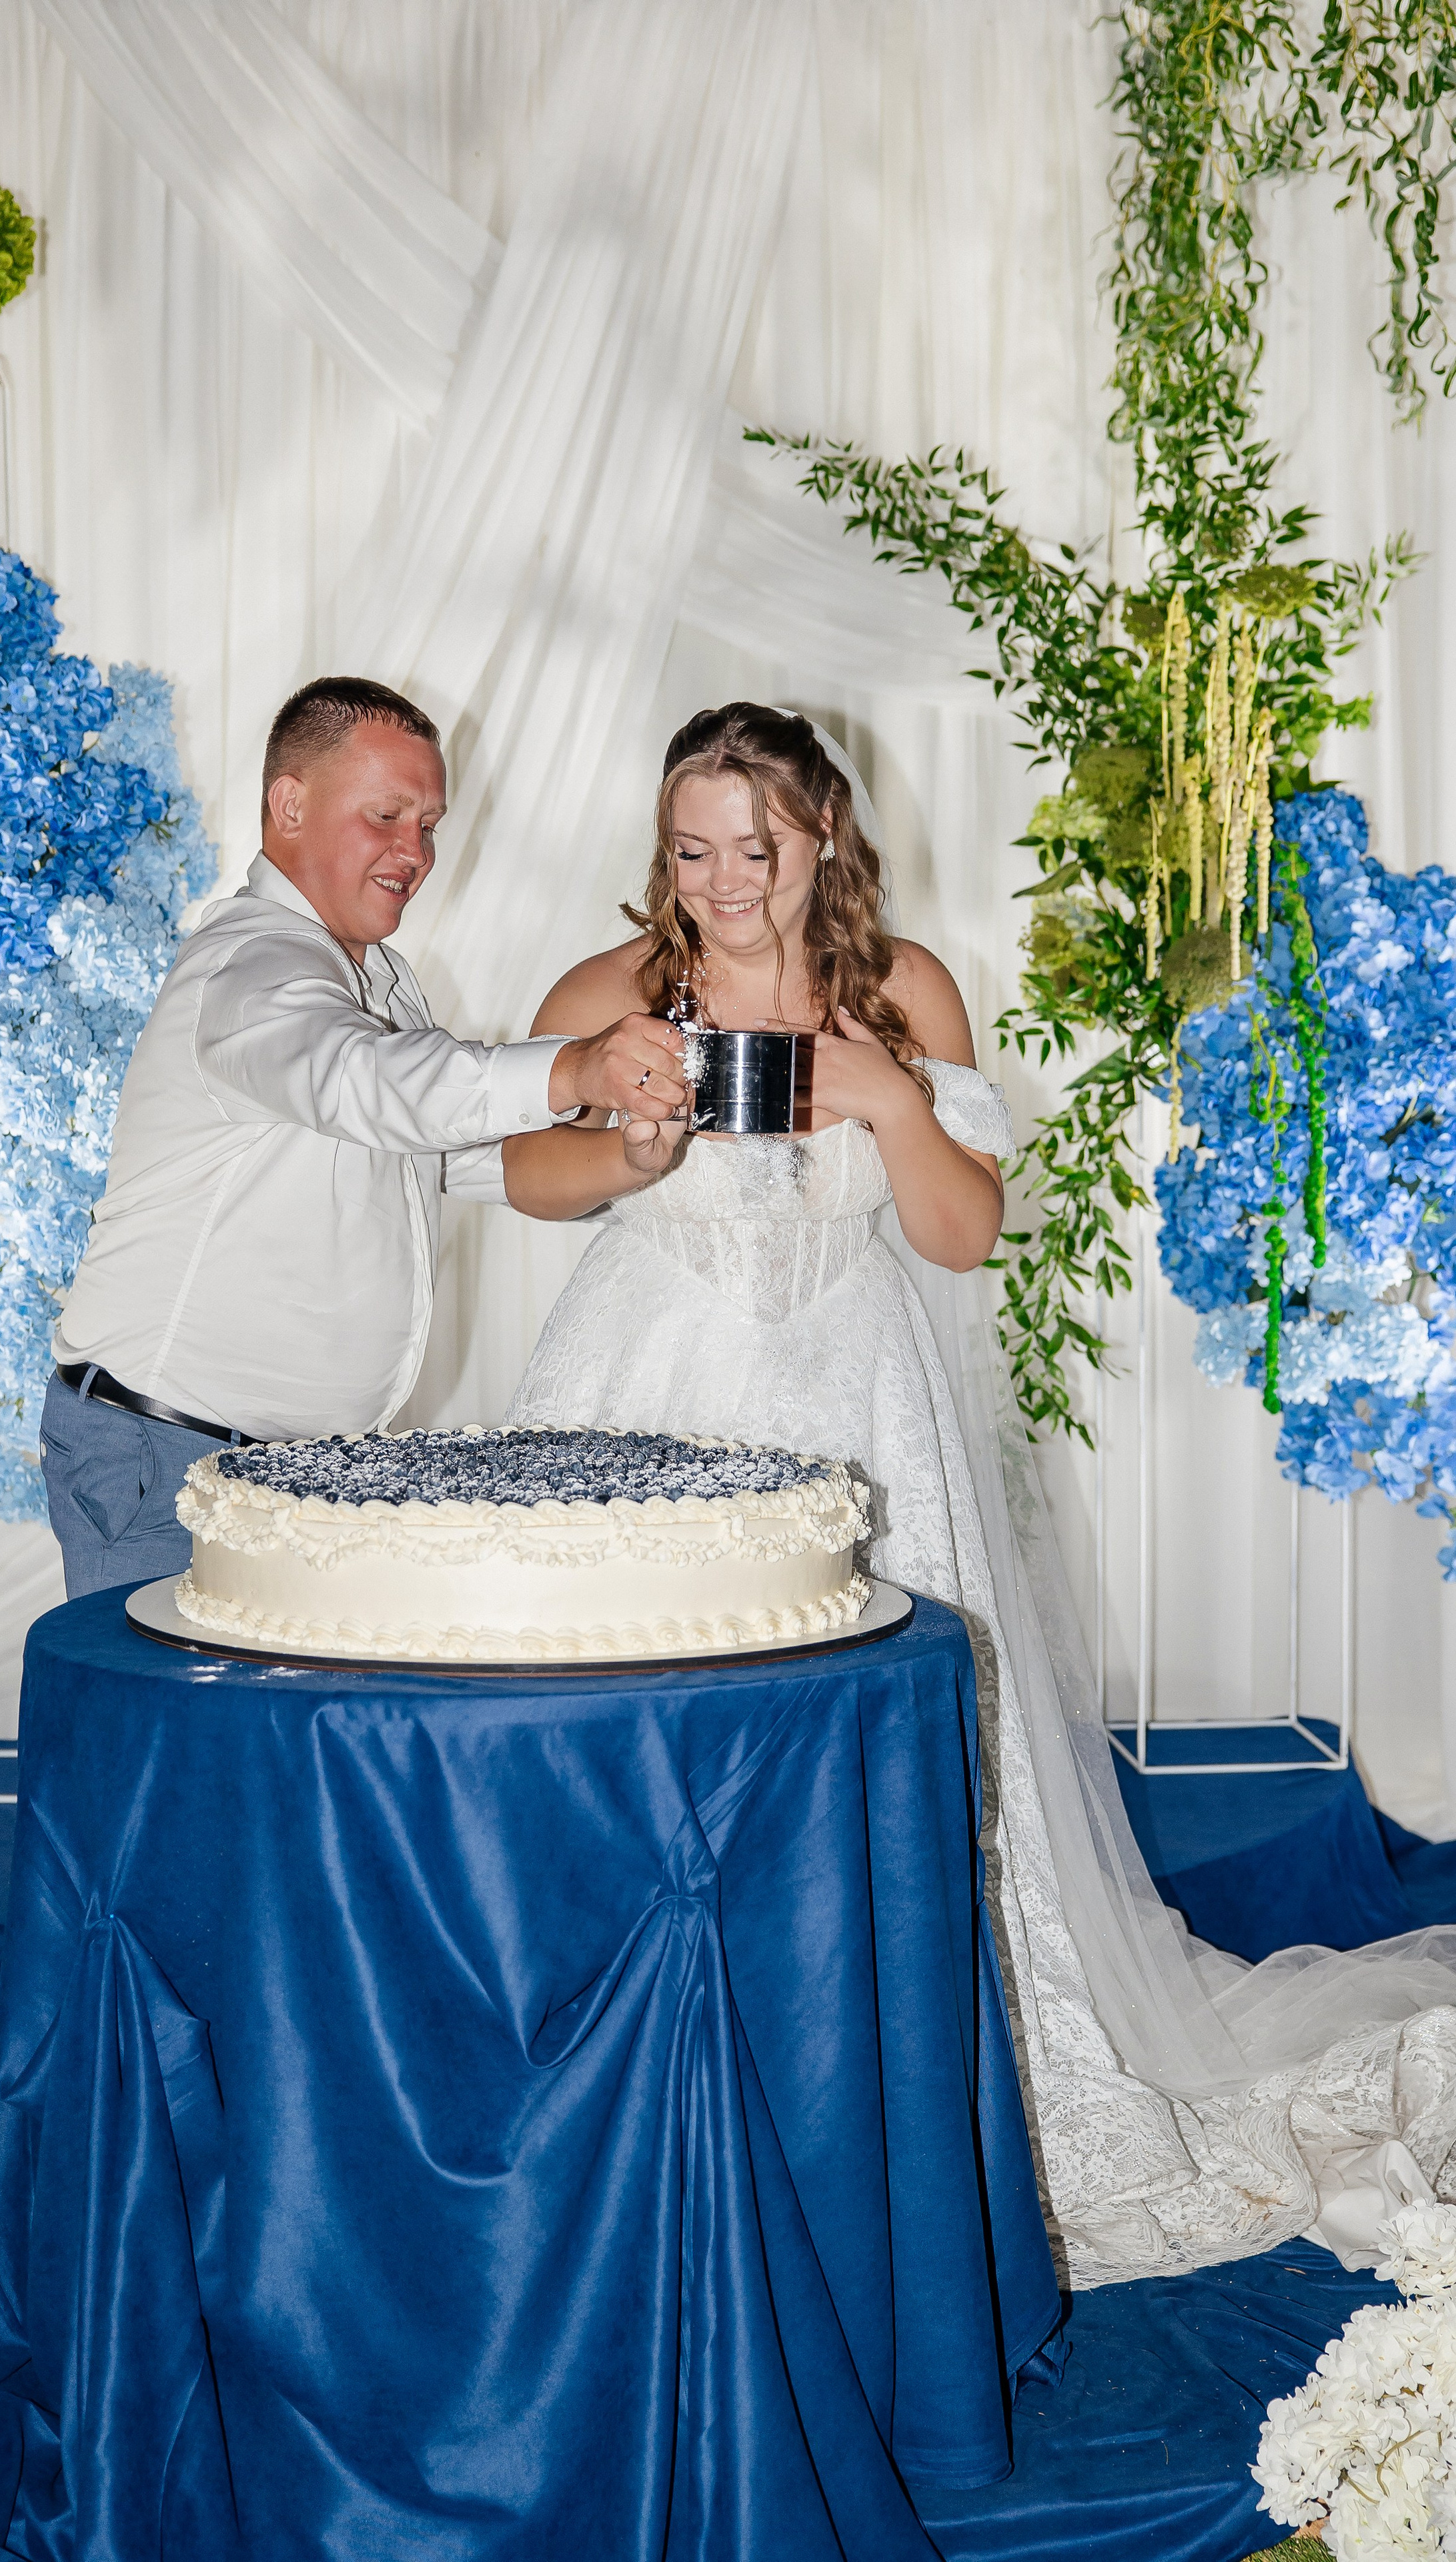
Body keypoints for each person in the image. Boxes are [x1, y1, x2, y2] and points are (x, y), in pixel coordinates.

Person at [498, 699, 1456, 2289]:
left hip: (851, 1412)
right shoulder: (612, 990)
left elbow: (958, 1234)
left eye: (755, 847)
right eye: (690, 848)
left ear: (820, 841)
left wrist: (882, 1095)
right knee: (634, 1741)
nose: (723, 882)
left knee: (890, 1754)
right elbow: (527, 1177)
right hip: (643, 1391)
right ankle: (637, 2095)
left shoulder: (902, 987)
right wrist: (633, 1143)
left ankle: (872, 2098)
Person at [41, 675, 686, 1598]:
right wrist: (578, 1068)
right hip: (168, 1460)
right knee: (168, 1747)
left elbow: (447, 1151)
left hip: (293, 1472)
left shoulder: (379, 977)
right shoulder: (251, 964)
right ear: (289, 804)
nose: (414, 852)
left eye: (428, 825)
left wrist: (626, 1159)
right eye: (386, 815)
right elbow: (372, 1085)